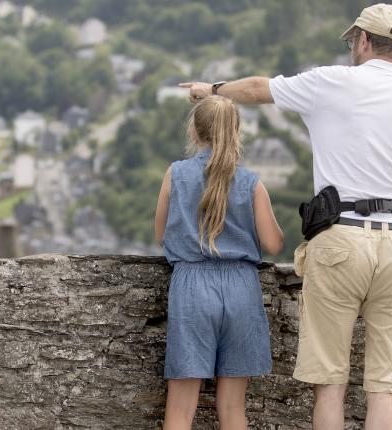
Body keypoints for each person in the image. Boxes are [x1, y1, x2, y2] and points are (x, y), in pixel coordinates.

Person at [181, 4, 392, 429]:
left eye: (353, 40)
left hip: (339, 238)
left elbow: (260, 88)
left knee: (329, 382)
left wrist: (213, 89)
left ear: (364, 41)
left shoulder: (329, 83)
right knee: (385, 389)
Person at [154, 95, 285, 430]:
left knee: (181, 409)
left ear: (196, 134)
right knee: (232, 408)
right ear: (236, 132)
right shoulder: (252, 183)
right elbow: (273, 244)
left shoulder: (176, 174)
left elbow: (161, 235)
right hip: (241, 289)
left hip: (192, 289)